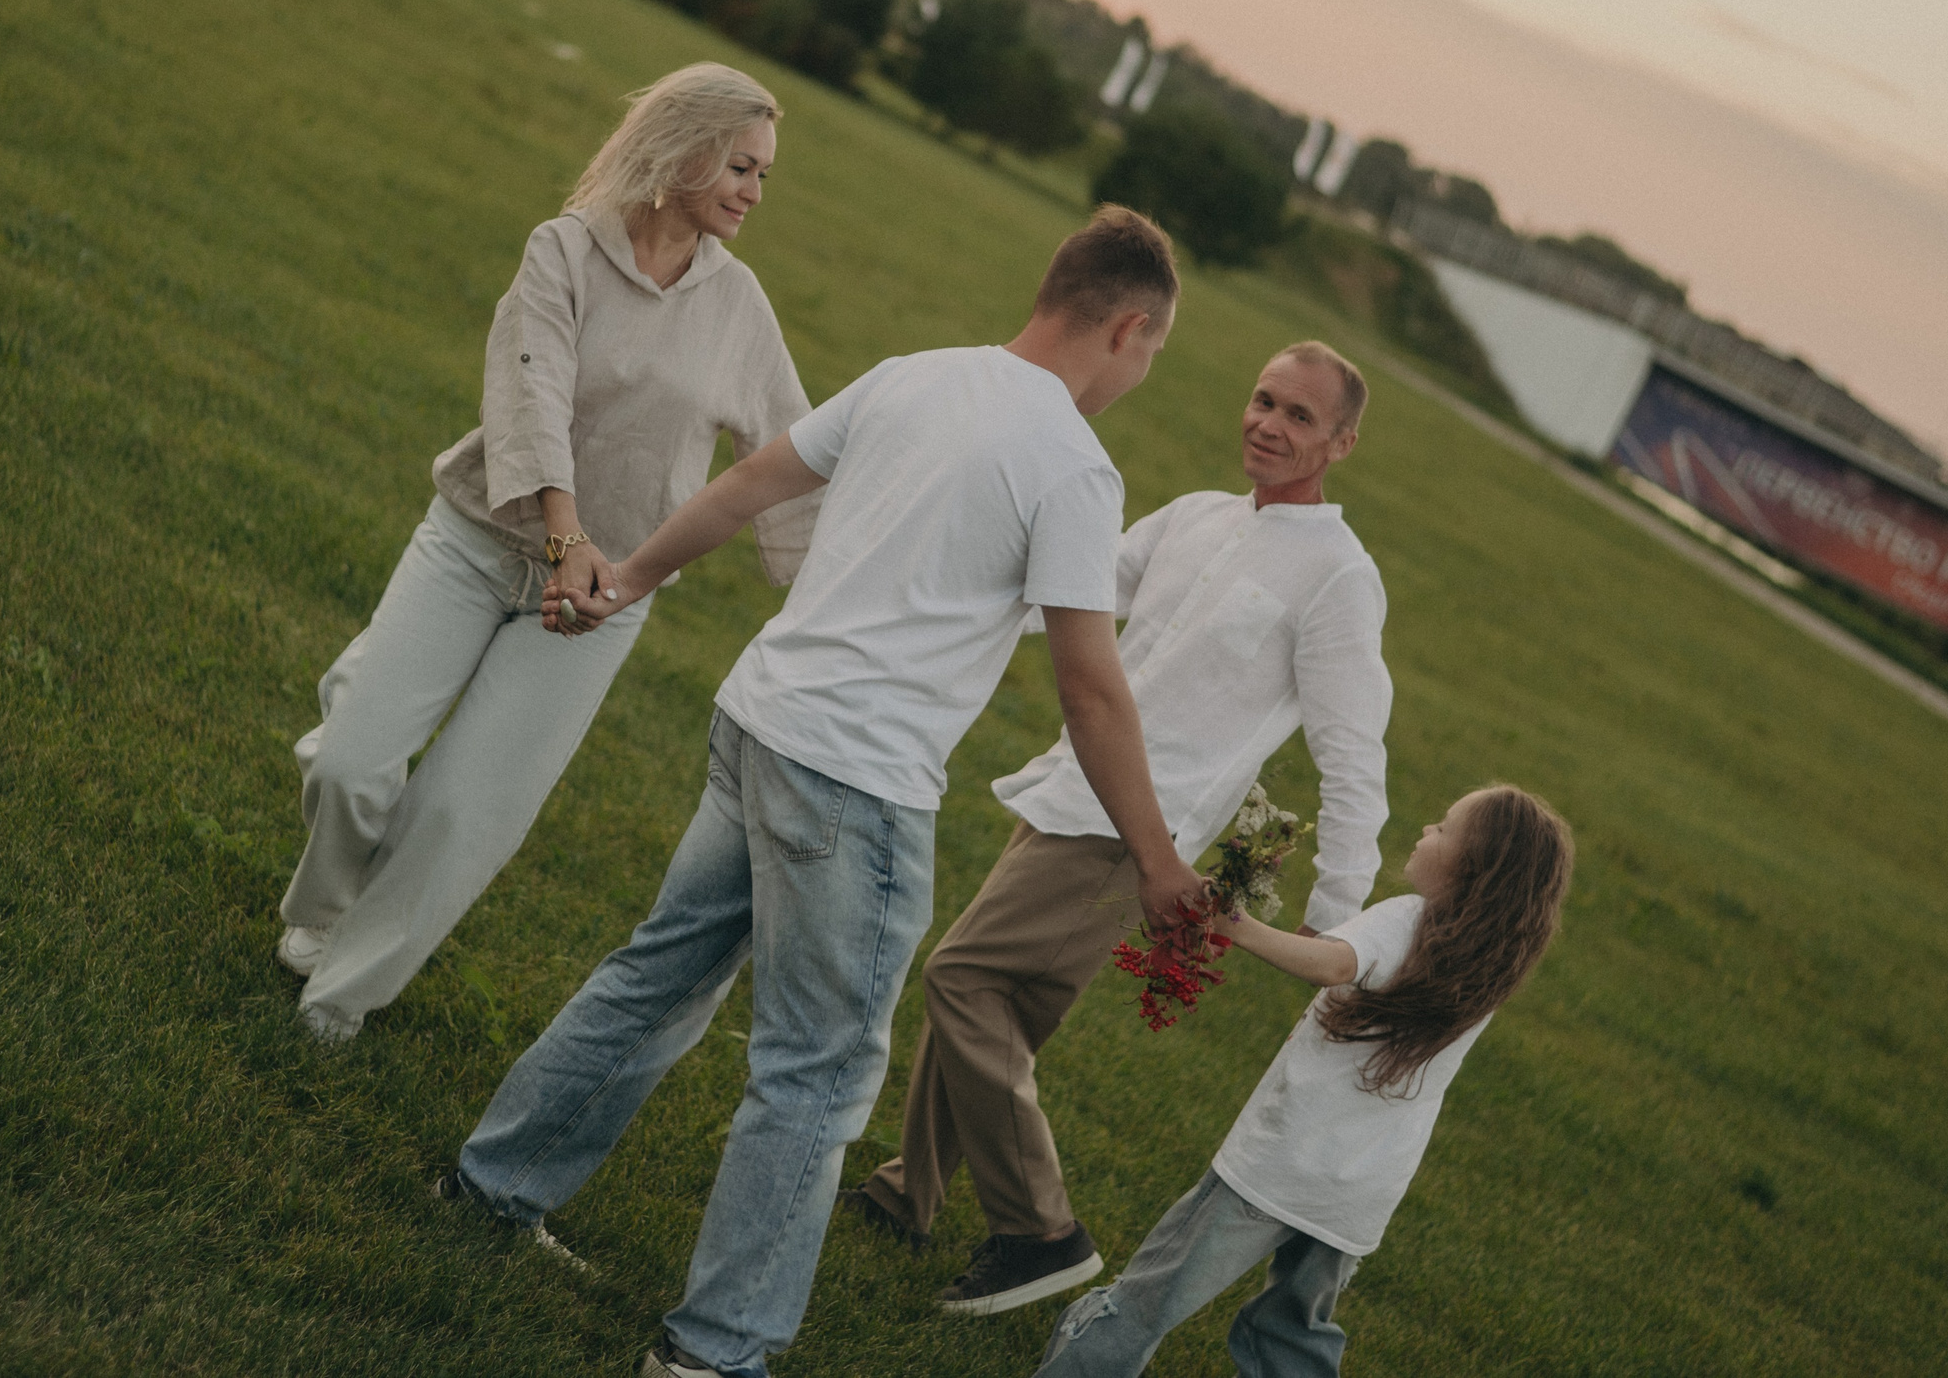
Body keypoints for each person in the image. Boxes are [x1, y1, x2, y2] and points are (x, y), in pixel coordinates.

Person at [438, 208, 1196, 1378]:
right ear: (1130, 329)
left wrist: (631, 576)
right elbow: (1091, 689)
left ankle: (488, 1185)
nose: (1142, 375)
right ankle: (715, 1349)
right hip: (854, 784)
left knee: (656, 973)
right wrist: (1155, 859)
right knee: (818, 1072)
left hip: (759, 722)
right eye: (1151, 355)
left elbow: (750, 482)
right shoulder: (1076, 468)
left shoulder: (913, 375)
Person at [275, 63, 822, 1042]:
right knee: (354, 765)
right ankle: (320, 905)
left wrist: (850, 580)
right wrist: (564, 535)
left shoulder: (739, 307)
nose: (751, 190)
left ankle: (337, 999)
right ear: (684, 149)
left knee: (460, 814)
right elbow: (532, 395)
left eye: (762, 176)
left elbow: (790, 453)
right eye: (739, 165)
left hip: (599, 602)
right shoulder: (564, 250)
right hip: (476, 542)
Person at [849, 342, 1394, 1315]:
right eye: (1263, 398)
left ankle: (1039, 1231)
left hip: (1140, 833)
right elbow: (1069, 592)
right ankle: (908, 1192)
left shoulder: (1339, 578)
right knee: (998, 1008)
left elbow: (1355, 753)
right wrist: (925, 591)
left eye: (1298, 416)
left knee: (963, 977)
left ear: (1341, 442)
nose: (1267, 423)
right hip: (1071, 787)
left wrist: (1334, 913)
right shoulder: (1196, 514)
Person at [1028, 785, 1575, 1377]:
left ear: (1472, 868)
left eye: (1443, 828)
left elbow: (1336, 963)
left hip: (1276, 1169)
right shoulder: (1484, 965)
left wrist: (1233, 925)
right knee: (1292, 1333)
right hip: (1355, 1196)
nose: (1426, 831)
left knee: (1149, 1296)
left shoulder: (1408, 919)